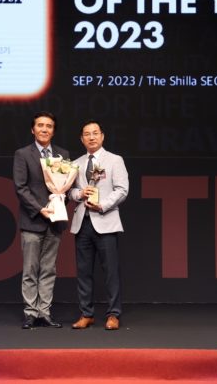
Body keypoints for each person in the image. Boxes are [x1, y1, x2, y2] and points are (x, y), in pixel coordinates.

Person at [68, 120, 128, 330]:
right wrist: (79, 193)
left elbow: (122, 189)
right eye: (87, 134)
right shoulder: (76, 163)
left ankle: (113, 314)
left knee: (110, 272)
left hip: (105, 221)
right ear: (81, 139)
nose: (91, 137)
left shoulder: (114, 160)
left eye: (95, 133)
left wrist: (102, 205)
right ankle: (87, 313)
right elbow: (69, 191)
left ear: (102, 136)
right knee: (83, 271)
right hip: (82, 223)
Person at [13, 111, 69, 329]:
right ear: (33, 129)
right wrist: (40, 209)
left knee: (49, 270)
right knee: (30, 270)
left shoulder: (63, 154)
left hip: (55, 221)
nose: (44, 129)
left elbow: (66, 186)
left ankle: (44, 312)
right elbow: (21, 187)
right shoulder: (22, 154)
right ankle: (30, 313)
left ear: (53, 131)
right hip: (33, 220)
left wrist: (58, 204)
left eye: (49, 126)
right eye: (40, 125)